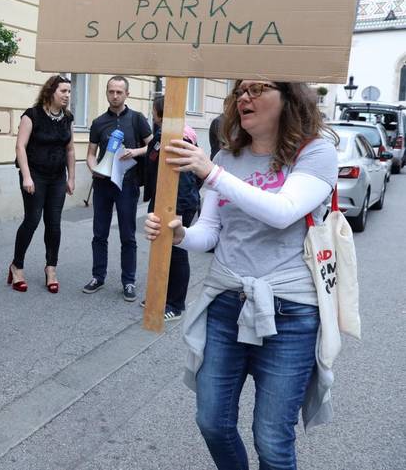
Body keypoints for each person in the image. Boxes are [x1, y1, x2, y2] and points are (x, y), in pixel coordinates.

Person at [144, 81, 338, 470]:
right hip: (226, 303)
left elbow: (284, 211)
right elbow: (211, 233)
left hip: (292, 313)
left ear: (288, 98)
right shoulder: (227, 157)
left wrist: (210, 172)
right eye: (240, 91)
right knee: (212, 421)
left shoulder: (315, 153)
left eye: (258, 88)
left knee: (272, 440)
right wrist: (178, 234)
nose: (244, 98)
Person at [83, 76, 152, 302]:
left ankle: (128, 281)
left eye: (119, 92)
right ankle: (97, 276)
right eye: (111, 91)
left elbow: (152, 145)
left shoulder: (137, 119)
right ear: (107, 93)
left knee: (127, 235)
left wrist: (135, 152)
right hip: (103, 184)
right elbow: (91, 154)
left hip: (128, 183)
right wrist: (94, 169)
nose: (115, 96)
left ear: (127, 94)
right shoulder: (98, 122)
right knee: (99, 233)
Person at [8, 75, 75, 293]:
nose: (67, 96)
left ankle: (51, 268)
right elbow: (20, 147)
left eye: (68, 92)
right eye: (63, 91)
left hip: (57, 177)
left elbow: (70, 149)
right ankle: (17, 266)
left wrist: (71, 177)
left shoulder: (67, 118)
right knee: (32, 219)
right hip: (35, 174)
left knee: (54, 223)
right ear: (51, 92)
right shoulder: (32, 115)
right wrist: (26, 176)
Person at [141, 95, 201, 321]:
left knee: (176, 250)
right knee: (164, 249)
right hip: (175, 199)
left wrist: (178, 205)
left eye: (154, 110)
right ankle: (160, 296)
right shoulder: (184, 132)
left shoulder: (171, 136)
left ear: (159, 112)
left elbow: (160, 162)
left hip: (177, 201)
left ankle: (176, 304)